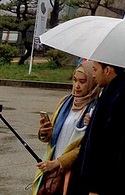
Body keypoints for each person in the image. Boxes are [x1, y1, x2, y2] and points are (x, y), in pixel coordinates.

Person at [72, 60, 125, 195]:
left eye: (95, 70)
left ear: (107, 70)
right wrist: (93, 122)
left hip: (105, 183)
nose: (93, 75)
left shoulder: (120, 96)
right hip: (100, 180)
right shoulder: (111, 91)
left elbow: (112, 147)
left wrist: (96, 187)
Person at [33, 64, 100, 195]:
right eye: (74, 80)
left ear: (93, 83)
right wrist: (44, 132)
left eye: (82, 81)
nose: (77, 86)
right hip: (52, 168)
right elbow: (51, 137)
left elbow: (85, 147)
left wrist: (58, 163)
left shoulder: (95, 108)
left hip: (74, 172)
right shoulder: (65, 102)